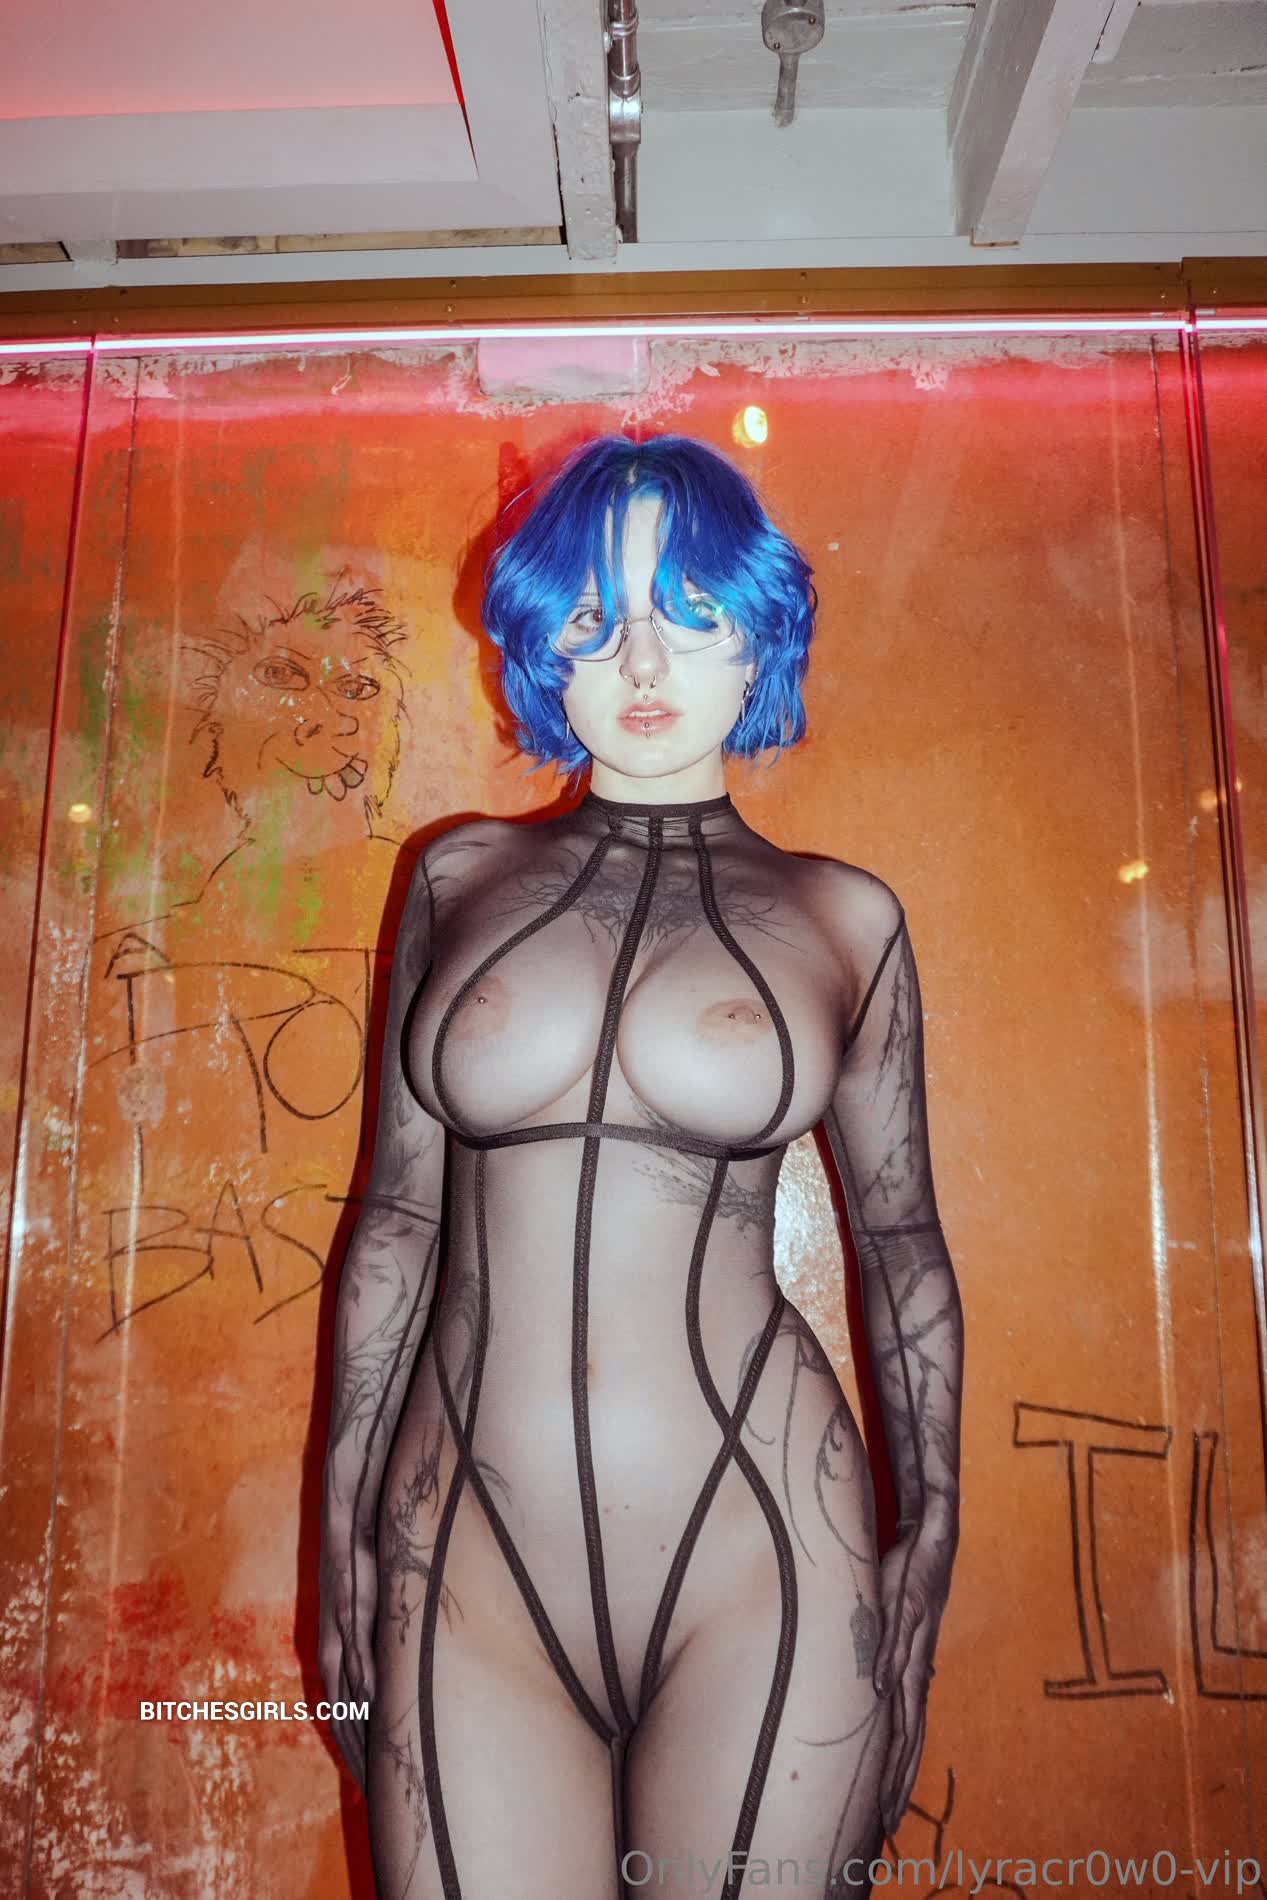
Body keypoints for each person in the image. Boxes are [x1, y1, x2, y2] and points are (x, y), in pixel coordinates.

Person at [318, 433, 964, 1899]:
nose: (645, 661)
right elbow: (396, 1222)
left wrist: (930, 1542)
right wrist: (336, 1535)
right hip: (460, 1552)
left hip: (764, 1551)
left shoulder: (846, 919)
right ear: (542, 645)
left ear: (762, 636)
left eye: (693, 610)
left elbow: (903, 1247)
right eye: (596, 619)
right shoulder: (457, 877)